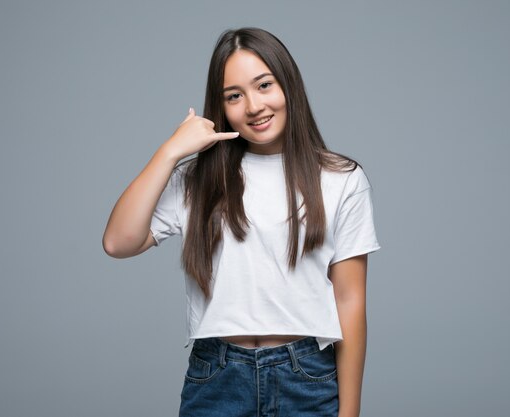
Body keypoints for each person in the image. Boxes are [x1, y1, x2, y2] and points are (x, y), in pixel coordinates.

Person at [103, 27, 381, 417]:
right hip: (217, 375)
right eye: (234, 96)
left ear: (289, 85)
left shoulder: (341, 179)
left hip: (306, 376)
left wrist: (349, 414)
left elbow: (350, 302)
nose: (253, 106)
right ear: (221, 107)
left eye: (264, 85)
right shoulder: (197, 179)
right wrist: (170, 152)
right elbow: (119, 242)